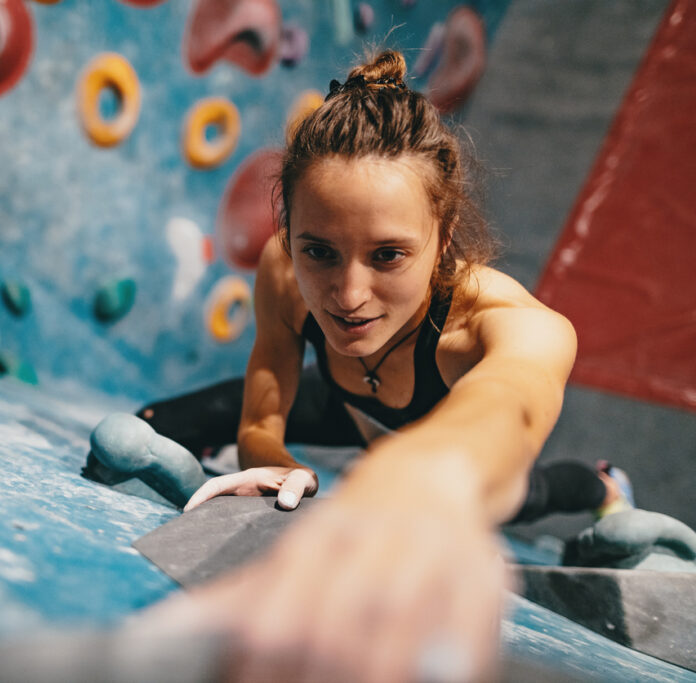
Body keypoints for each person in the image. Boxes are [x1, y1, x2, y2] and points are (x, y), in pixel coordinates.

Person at [92, 50, 631, 681]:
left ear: (445, 227)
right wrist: (278, 467)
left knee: (512, 498)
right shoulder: (281, 271)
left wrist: (418, 487)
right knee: (150, 423)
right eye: (318, 251)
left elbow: (507, 408)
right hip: (341, 401)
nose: (348, 296)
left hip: (441, 432)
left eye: (388, 255)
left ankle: (601, 484)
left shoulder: (506, 323)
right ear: (289, 230)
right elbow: (263, 414)